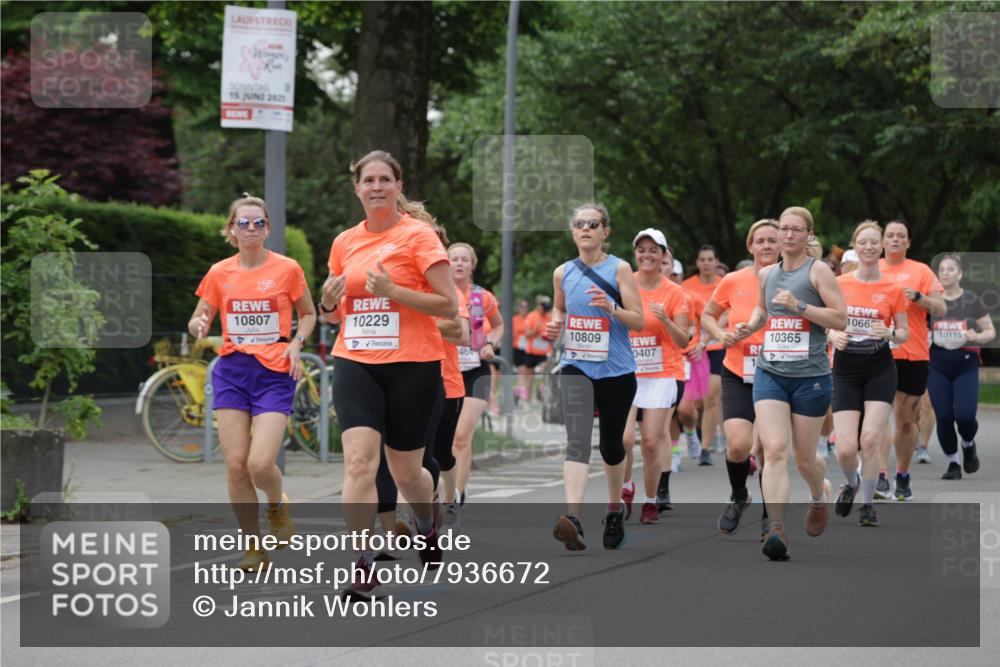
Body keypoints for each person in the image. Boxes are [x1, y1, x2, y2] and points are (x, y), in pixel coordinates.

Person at [320, 150, 459, 596]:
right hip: (356, 359)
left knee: (407, 471)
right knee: (359, 461)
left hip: (413, 363)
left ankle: (426, 521)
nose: (376, 187)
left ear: (399, 187)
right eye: (368, 180)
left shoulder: (418, 237)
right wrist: (326, 302)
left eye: (385, 179)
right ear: (356, 188)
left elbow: (448, 305)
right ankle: (362, 563)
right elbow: (336, 312)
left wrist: (395, 290)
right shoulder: (344, 242)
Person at [189, 193, 316, 571]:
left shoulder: (288, 269)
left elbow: (307, 313)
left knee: (261, 463)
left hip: (275, 371)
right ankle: (253, 547)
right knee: (235, 465)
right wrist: (197, 325)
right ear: (231, 229)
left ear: (268, 229)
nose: (251, 228)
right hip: (232, 370)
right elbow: (200, 315)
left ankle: (277, 504)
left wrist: (297, 343)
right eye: (243, 222)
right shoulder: (219, 272)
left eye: (258, 222)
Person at [735, 206, 847, 561]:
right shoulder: (767, 274)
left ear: (809, 235)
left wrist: (800, 306)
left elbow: (840, 318)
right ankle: (777, 527)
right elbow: (763, 312)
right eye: (783, 229)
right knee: (773, 449)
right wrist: (748, 327)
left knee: (803, 459)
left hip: (811, 377)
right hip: (771, 372)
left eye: (796, 230)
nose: (787, 235)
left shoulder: (820, 272)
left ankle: (818, 494)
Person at [546, 203, 644, 550]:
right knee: (576, 440)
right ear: (573, 231)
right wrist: (555, 323)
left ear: (605, 232)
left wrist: (612, 309)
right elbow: (560, 307)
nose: (585, 228)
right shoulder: (562, 273)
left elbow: (639, 319)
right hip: (577, 366)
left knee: (611, 446)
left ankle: (614, 509)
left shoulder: (619, 269)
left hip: (616, 370)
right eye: (579, 223)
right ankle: (572, 518)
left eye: (593, 223)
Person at [827, 221, 909, 528]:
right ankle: (851, 481)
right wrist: (832, 336)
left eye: (875, 242)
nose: (870, 247)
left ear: (883, 247)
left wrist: (888, 331)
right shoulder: (840, 283)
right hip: (846, 368)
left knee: (871, 439)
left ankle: (868, 504)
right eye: (864, 242)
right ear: (854, 245)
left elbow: (903, 332)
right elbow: (824, 322)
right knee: (847, 448)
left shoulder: (892, 289)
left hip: (879, 367)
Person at [702, 219, 779, 534]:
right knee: (738, 446)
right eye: (759, 241)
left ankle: (768, 514)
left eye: (772, 240)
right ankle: (739, 495)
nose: (766, 246)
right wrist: (721, 333)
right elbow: (707, 315)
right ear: (750, 246)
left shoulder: (795, 280)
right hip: (737, 370)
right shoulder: (733, 280)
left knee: (765, 448)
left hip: (777, 373)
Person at [621, 229, 690, 524]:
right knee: (623, 440)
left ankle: (650, 500)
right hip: (625, 370)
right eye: (641, 250)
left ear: (663, 255)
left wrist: (664, 320)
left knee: (650, 442)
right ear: (635, 254)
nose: (646, 255)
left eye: (653, 250)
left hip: (661, 373)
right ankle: (625, 487)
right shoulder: (624, 284)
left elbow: (684, 340)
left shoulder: (675, 293)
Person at [875, 221, 946, 500]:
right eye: (890, 236)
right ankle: (880, 475)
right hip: (876, 352)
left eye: (900, 236)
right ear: (882, 241)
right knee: (877, 418)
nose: (895, 240)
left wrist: (919, 298)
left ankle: (902, 475)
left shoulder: (921, 271)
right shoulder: (871, 270)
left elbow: (941, 307)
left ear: (908, 242)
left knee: (905, 422)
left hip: (912, 352)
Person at [446, 242, 504, 524]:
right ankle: (446, 490)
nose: (458, 263)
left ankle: (456, 495)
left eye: (464, 259)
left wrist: (491, 342)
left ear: (472, 265)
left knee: (461, 436)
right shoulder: (439, 295)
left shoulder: (483, 297)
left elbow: (500, 324)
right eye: (454, 259)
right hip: (446, 370)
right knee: (443, 439)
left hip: (476, 371)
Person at [929, 254, 995, 480]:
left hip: (965, 364)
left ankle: (968, 444)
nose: (945, 272)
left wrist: (976, 336)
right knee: (944, 416)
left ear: (960, 274)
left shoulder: (972, 299)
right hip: (937, 365)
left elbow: (990, 332)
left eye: (950, 269)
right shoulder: (932, 301)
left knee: (965, 416)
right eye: (942, 269)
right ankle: (953, 463)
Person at [683, 245, 725, 464]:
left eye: (711, 259)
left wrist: (711, 335)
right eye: (703, 259)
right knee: (695, 403)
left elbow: (726, 315)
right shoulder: (686, 286)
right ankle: (697, 432)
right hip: (692, 349)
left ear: (717, 262)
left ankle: (706, 449)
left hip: (717, 346)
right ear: (697, 263)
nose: (707, 263)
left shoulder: (724, 284)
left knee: (711, 398)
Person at [520, 295, 554, 404]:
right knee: (529, 379)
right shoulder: (531, 316)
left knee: (547, 374)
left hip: (544, 353)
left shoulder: (549, 317)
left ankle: (541, 393)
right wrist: (536, 329)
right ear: (539, 306)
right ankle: (527, 402)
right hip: (531, 352)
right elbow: (527, 334)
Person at [512, 298, 531, 402]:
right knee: (522, 370)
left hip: (528, 348)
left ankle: (517, 390)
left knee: (526, 372)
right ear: (518, 308)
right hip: (517, 348)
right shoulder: (514, 319)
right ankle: (522, 394)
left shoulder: (530, 318)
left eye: (526, 306)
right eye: (522, 306)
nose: (524, 309)